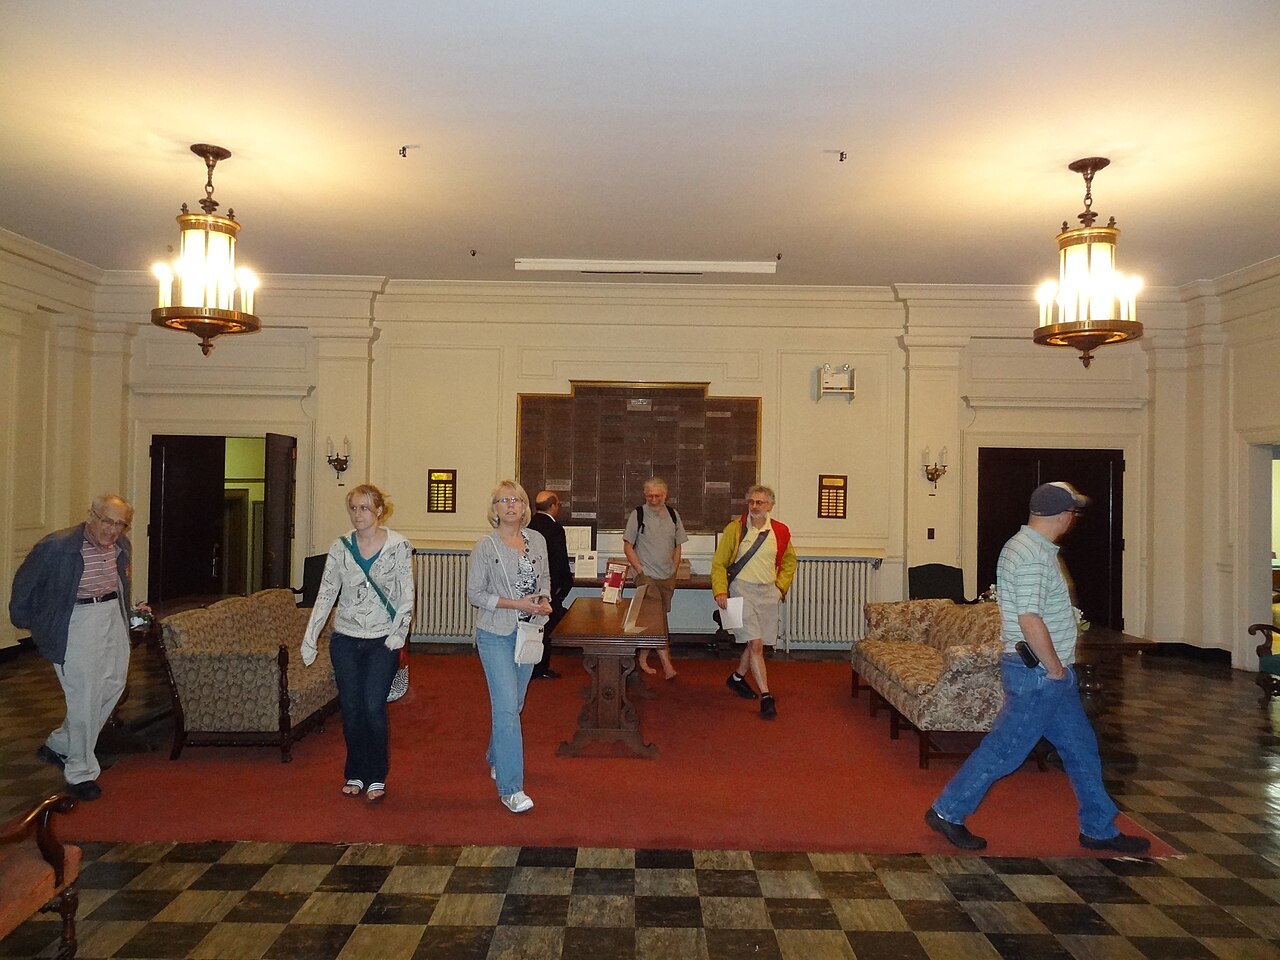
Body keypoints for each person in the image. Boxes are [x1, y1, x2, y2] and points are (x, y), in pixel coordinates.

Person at [925, 481, 1150, 854]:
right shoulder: (1031, 554)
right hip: (1039, 674)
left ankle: (1098, 828)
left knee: (1080, 748)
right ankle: (947, 811)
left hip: (1046, 673)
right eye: (1073, 512)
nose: (1073, 519)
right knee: (1006, 749)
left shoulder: (1029, 547)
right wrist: (1055, 669)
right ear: (1062, 515)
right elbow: (1029, 618)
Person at [10, 494, 135, 801]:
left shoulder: (122, 545)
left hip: (111, 615)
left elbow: (121, 582)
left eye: (120, 524)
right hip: (77, 619)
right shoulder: (57, 546)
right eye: (107, 521)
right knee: (84, 695)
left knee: (113, 685)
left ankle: (61, 744)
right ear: (91, 515)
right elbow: (25, 585)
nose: (112, 530)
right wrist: (30, 621)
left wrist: (128, 613)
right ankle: (80, 771)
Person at [301, 484, 414, 805]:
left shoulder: (398, 546)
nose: (358, 514)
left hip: (383, 640)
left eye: (364, 508)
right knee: (351, 708)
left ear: (379, 510)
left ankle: (376, 774)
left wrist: (399, 634)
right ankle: (355, 771)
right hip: (346, 640)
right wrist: (310, 637)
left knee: (372, 706)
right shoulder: (340, 547)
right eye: (353, 508)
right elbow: (326, 593)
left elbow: (406, 594)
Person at [467, 480, 552, 813]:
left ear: (525, 506)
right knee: (505, 709)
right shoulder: (486, 547)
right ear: (495, 509)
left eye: (516, 499)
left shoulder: (537, 540)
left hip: (528, 633)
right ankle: (511, 788)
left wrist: (543, 600)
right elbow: (475, 595)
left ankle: (496, 754)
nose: (511, 505)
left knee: (514, 704)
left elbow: (545, 579)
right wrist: (516, 604)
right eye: (503, 501)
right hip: (496, 634)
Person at [711, 485, 797, 720]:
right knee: (756, 643)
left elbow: (790, 561)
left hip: (768, 592)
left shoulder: (780, 531)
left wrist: (780, 588)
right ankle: (767, 697)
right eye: (751, 502)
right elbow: (719, 563)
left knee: (756, 642)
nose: (755, 506)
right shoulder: (735, 529)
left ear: (770, 505)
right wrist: (720, 590)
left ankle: (736, 678)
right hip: (742, 591)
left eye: (760, 502)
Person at [622, 477, 687, 680]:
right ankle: (668, 666)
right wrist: (640, 570)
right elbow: (627, 546)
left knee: (654, 620)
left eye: (657, 496)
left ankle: (642, 659)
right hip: (646, 576)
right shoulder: (638, 514)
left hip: (666, 576)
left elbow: (678, 545)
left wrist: (674, 569)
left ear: (665, 496)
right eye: (649, 496)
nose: (653, 499)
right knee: (658, 619)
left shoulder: (673, 515)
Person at [527, 490, 572, 680]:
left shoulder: (527, 525)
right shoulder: (555, 529)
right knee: (545, 629)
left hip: (529, 586)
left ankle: (527, 663)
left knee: (529, 626)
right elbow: (560, 560)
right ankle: (541, 668)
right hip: (549, 587)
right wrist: (565, 584)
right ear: (553, 506)